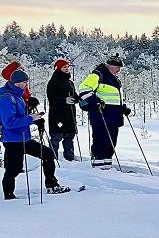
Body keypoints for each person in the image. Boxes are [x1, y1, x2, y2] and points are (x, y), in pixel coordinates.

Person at [1, 70, 70, 199]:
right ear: (17, 83)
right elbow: (9, 123)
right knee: (13, 170)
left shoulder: (17, 96)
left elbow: (21, 117)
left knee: (48, 154)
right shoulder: (6, 98)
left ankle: (52, 185)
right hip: (13, 141)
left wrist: (36, 120)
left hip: (24, 138)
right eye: (24, 82)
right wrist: (30, 119)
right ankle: (9, 197)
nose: (26, 84)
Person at [79, 54, 131, 170]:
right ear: (110, 65)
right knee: (100, 143)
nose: (119, 70)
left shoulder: (115, 79)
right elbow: (84, 89)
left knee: (111, 144)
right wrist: (95, 100)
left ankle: (107, 168)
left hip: (114, 117)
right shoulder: (98, 74)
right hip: (101, 116)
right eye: (118, 67)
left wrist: (122, 108)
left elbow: (114, 97)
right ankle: (98, 168)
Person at [47, 59, 79, 162]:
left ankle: (70, 159)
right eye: (64, 67)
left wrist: (82, 102)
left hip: (70, 116)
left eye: (67, 67)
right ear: (58, 68)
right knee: (56, 137)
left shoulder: (70, 82)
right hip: (57, 116)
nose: (67, 69)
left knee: (69, 137)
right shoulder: (53, 82)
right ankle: (51, 159)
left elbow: (75, 96)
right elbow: (52, 98)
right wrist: (65, 100)